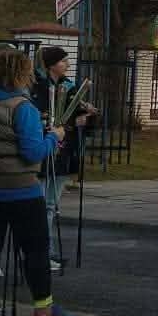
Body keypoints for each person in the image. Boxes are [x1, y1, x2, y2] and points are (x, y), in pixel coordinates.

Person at [0, 46, 77, 316]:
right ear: (20, 75)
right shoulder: (22, 107)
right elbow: (33, 152)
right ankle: (44, 311)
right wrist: (55, 137)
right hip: (19, 189)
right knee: (35, 250)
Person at [32, 45, 97, 268]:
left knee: (51, 204)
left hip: (64, 152)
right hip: (45, 151)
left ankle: (47, 251)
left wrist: (87, 116)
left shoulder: (69, 87)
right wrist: (70, 122)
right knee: (40, 205)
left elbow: (79, 117)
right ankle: (39, 252)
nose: (67, 64)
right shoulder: (37, 87)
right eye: (63, 61)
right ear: (51, 65)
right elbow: (42, 117)